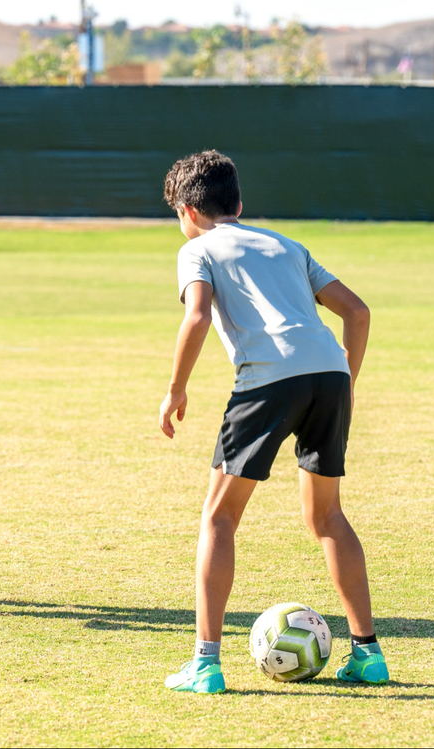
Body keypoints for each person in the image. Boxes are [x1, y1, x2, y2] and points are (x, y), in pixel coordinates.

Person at [158, 150, 388, 693]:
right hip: (329, 374)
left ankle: (206, 665)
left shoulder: (196, 249)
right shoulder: (287, 245)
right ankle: (369, 654)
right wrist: (346, 381)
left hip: (268, 379)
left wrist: (175, 388)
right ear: (238, 203)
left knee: (219, 518)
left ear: (187, 211)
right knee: (327, 516)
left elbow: (197, 315)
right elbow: (357, 312)